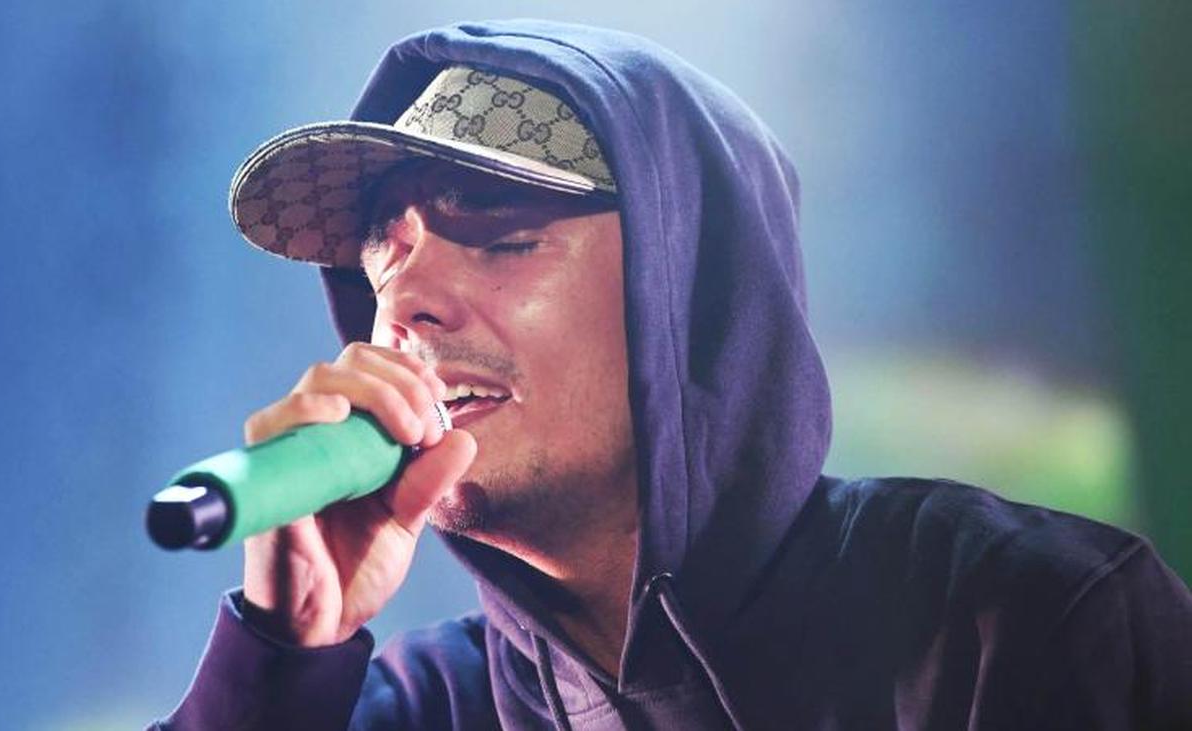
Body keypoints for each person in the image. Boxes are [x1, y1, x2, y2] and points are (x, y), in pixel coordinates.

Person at [154, 20, 1192, 730]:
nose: (404, 303)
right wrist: (277, 662)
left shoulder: (1027, 621)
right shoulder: (418, 704)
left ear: (690, 282)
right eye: (384, 255)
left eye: (501, 236)